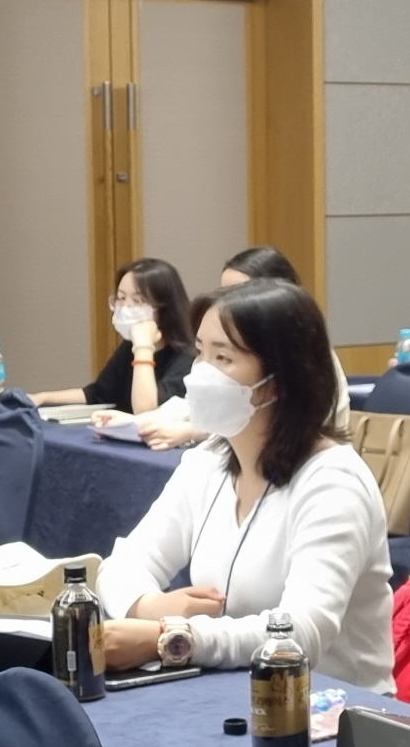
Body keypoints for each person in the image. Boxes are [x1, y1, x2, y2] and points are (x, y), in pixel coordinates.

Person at [94, 277, 394, 693]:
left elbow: (302, 634)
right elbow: (122, 565)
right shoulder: (209, 460)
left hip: (335, 708)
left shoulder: (334, 483)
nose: (201, 374)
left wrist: (172, 638)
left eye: (223, 358)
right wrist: (149, 606)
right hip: (234, 691)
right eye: (200, 352)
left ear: (279, 380)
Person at [116, 247, 351, 449]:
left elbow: (267, 422)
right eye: (223, 293)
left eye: (239, 294)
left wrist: (189, 432)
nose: (226, 304)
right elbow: (191, 404)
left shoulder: (308, 358)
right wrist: (135, 423)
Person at [29, 259, 195, 414]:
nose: (125, 307)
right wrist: (42, 398)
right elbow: (98, 394)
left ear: (165, 308)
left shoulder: (187, 357)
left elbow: (147, 411)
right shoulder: (129, 346)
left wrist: (143, 346)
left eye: (138, 300)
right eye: (121, 298)